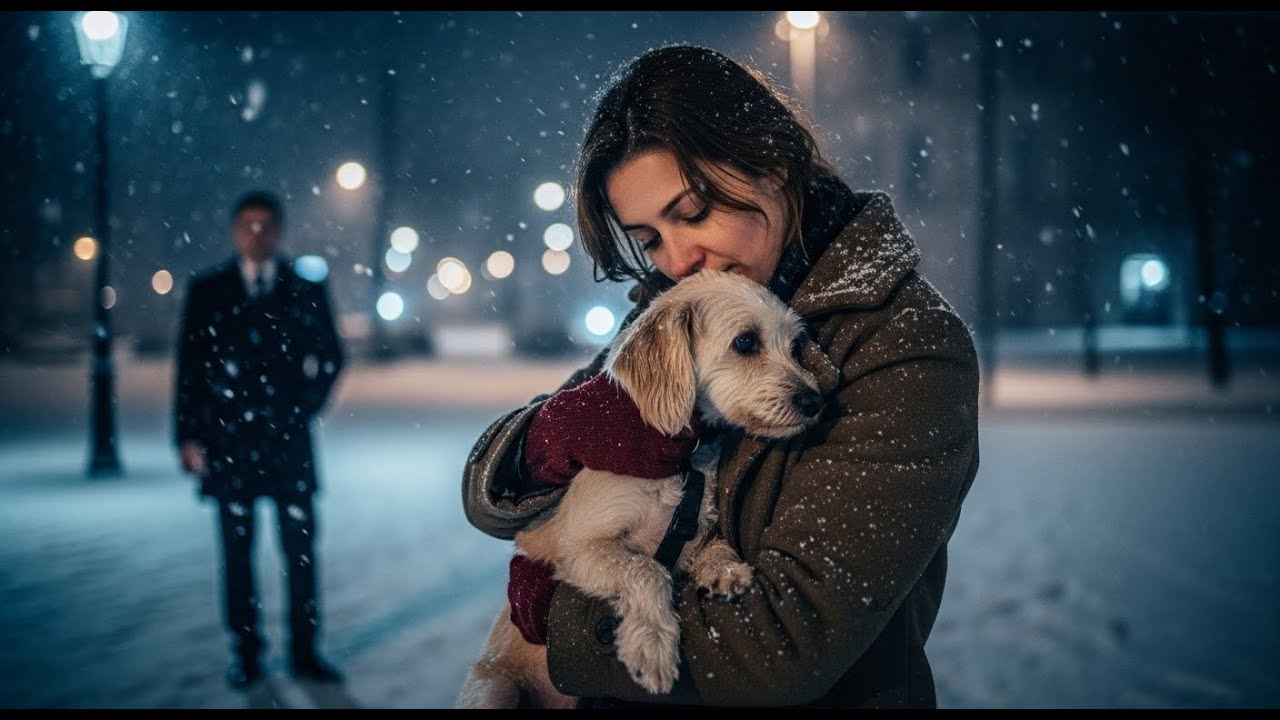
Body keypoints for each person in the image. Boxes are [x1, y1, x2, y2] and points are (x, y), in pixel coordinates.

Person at [461, 44, 980, 708]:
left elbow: (781, 649)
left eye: (694, 211)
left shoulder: (902, 349)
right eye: (648, 238)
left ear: (772, 160)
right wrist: (549, 436)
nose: (678, 258)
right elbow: (485, 500)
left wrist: (564, 625)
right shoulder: (677, 307)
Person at [174, 189, 346, 690]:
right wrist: (188, 436)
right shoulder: (208, 290)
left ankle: (304, 652)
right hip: (229, 445)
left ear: (280, 230)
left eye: (266, 224)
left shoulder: (303, 286)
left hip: (288, 443)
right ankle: (246, 654)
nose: (257, 234)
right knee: (237, 555)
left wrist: (305, 406)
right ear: (234, 230)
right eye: (248, 224)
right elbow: (190, 369)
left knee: (301, 553)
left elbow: (332, 355)